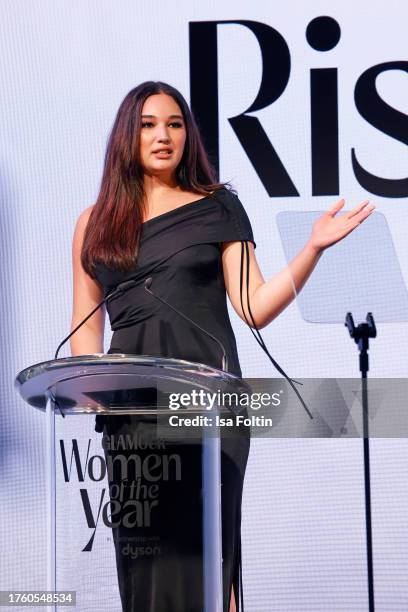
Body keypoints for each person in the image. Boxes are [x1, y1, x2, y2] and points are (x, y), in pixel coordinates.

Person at [70, 81, 374, 612]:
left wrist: (312, 250)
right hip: (133, 416)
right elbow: (83, 334)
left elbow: (254, 306)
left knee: (211, 562)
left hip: (206, 404)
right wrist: (86, 388)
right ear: (126, 136)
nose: (163, 136)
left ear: (189, 134)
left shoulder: (218, 208)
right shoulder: (93, 224)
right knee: (147, 568)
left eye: (175, 124)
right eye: (148, 125)